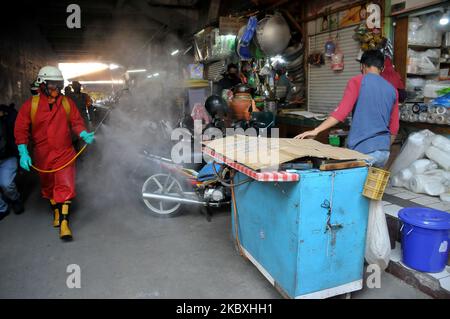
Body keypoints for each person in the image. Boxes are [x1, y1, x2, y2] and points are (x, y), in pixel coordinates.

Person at [14, 66, 95, 240]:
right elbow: (21, 129)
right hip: (43, 154)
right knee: (49, 186)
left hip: (65, 151)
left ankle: (65, 223)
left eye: (58, 84)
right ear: (42, 84)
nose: (57, 89)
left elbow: (75, 122)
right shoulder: (31, 106)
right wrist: (23, 152)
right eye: (52, 85)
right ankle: (56, 213)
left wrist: (82, 133)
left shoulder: (67, 103)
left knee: (66, 185)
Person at [295, 50, 399, 168]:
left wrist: (316, 130)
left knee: (352, 186)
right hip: (384, 153)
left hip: (364, 151)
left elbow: (341, 113)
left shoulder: (357, 81)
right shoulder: (392, 90)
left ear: (362, 66)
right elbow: (394, 128)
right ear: (382, 68)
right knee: (371, 186)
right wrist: (382, 147)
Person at [0, 103, 24, 220]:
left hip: (7, 156)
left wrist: (22, 154)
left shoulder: (8, 114)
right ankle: (2, 207)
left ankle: (15, 199)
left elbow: (19, 130)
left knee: (7, 184)